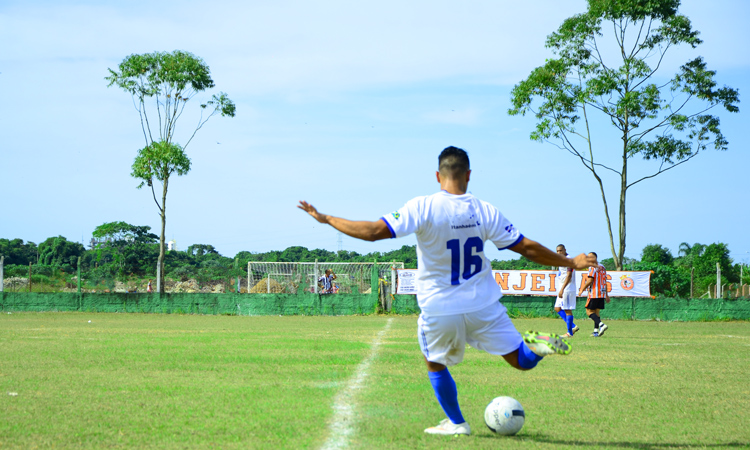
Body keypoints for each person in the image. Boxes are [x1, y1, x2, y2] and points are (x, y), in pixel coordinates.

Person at [298, 146, 596, 436]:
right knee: (520, 360)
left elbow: (374, 232)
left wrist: (327, 219)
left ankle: (456, 422)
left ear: (438, 176)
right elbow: (526, 247)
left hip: (440, 307)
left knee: (435, 362)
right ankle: (538, 344)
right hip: (484, 305)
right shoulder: (484, 210)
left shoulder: (422, 206)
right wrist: (569, 261)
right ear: (468, 175)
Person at [578, 252, 610, 337]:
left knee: (589, 312)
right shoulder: (602, 267)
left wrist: (582, 289)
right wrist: (606, 295)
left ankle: (602, 325)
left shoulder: (592, 267)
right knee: (596, 312)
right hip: (602, 292)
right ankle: (596, 331)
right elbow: (605, 281)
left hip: (594, 293)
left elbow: (590, 280)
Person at [554, 244, 579, 338]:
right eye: (557, 251)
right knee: (557, 308)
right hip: (562, 288)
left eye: (560, 250)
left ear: (565, 250)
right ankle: (573, 326)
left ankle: (569, 333)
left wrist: (562, 289)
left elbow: (569, 275)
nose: (559, 252)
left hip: (567, 288)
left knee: (567, 310)